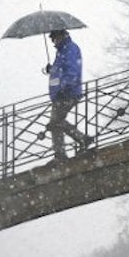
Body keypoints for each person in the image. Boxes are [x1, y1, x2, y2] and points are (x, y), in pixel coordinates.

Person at [46, 29, 92, 161]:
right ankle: (78, 141)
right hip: (60, 94)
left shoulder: (70, 48)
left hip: (67, 93)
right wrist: (52, 69)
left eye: (54, 38)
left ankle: (61, 153)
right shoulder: (61, 51)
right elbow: (60, 71)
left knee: (55, 122)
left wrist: (64, 89)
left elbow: (72, 71)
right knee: (56, 122)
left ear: (62, 35)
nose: (53, 42)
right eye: (52, 39)